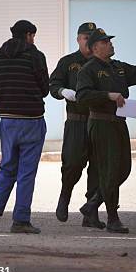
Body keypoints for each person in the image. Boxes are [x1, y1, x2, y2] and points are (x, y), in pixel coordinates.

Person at [76, 28, 136, 233]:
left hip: (119, 122)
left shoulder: (117, 67)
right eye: (105, 42)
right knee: (110, 170)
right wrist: (108, 96)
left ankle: (92, 204)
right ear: (95, 47)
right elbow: (83, 96)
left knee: (124, 169)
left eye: (110, 41)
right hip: (101, 124)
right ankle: (113, 218)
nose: (110, 44)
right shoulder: (88, 69)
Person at [0, 20, 49, 234]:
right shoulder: (35, 56)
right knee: (26, 172)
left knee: (7, 167)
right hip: (32, 120)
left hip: (7, 120)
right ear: (28, 35)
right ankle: (20, 220)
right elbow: (45, 88)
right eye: (33, 36)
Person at [49, 22, 104, 228]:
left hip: (99, 123)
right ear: (78, 39)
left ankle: (91, 214)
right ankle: (65, 197)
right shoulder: (68, 62)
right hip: (76, 122)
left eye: (92, 39)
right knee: (72, 163)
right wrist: (63, 91)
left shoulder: (104, 63)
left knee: (98, 168)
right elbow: (53, 85)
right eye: (85, 38)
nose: (88, 42)